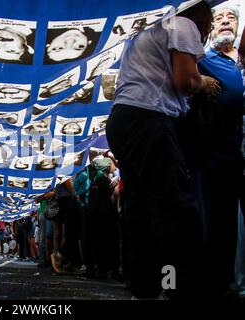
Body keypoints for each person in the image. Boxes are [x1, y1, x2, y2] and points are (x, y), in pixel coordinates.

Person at [105, 1, 217, 299]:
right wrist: (203, 81)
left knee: (140, 209)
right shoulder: (183, 25)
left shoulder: (143, 30)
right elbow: (185, 80)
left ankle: (145, 289)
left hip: (122, 120)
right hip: (150, 119)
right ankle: (177, 289)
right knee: (174, 211)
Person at [193, 4, 245, 299]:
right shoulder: (204, 59)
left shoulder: (241, 62)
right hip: (210, 154)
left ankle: (226, 282)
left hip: (237, 154)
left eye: (231, 17)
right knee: (209, 221)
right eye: (219, 18)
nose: (225, 22)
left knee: (230, 225)